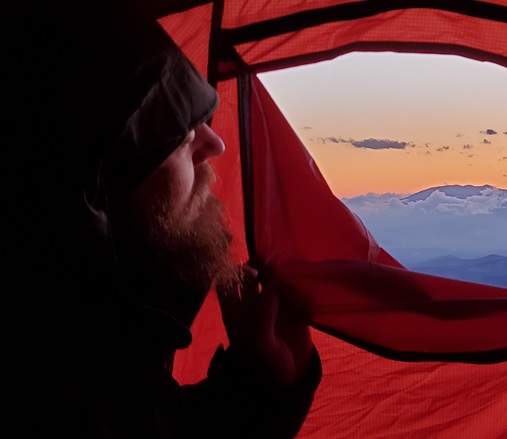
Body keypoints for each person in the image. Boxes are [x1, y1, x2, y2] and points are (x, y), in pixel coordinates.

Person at [10, 2, 320, 437]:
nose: (214, 143)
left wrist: (261, 382)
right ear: (95, 190)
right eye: (179, 132)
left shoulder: (100, 355)